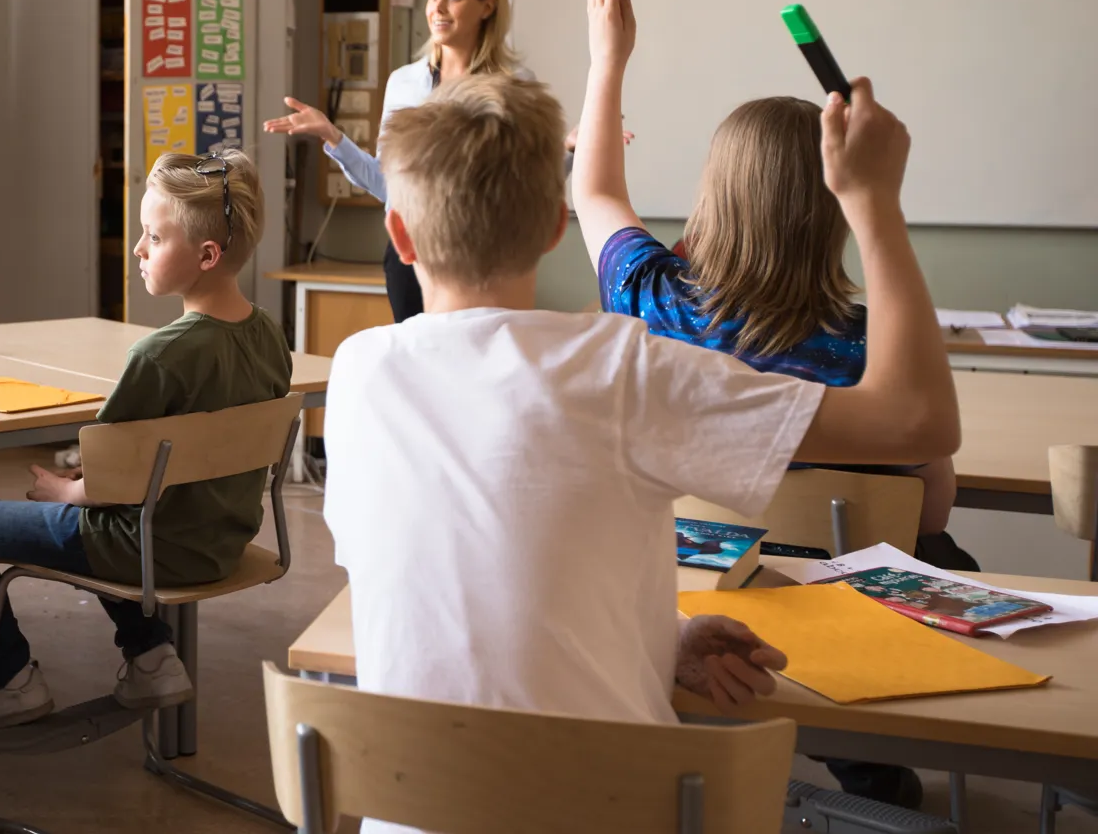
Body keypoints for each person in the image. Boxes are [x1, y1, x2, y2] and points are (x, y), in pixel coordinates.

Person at [323, 70, 960, 834]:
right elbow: (919, 422)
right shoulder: (625, 370)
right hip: (612, 811)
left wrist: (664, 638)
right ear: (554, 227)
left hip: (409, 813)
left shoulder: (356, 372)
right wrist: (875, 201)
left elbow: (472, 585)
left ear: (400, 235)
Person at [571, 0, 974, 806]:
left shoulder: (646, 294)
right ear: (832, 210)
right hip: (844, 612)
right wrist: (880, 202)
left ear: (712, 192)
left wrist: (608, 59)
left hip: (687, 592)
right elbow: (929, 508)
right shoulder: (871, 348)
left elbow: (594, 189)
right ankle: (869, 767)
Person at [0, 148, 291, 741]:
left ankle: (8, 681)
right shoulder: (269, 335)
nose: (138, 249)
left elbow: (109, 481)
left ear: (206, 255)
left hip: (148, 547)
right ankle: (152, 657)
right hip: (219, 540)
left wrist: (66, 491)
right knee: (116, 519)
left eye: (155, 236)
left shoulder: (160, 355)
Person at [263, 0, 628, 322]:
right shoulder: (404, 84)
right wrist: (332, 136)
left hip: (490, 258)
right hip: (410, 259)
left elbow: (528, 186)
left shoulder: (516, 85)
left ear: (487, 7)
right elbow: (390, 187)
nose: (437, 8)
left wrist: (570, 149)